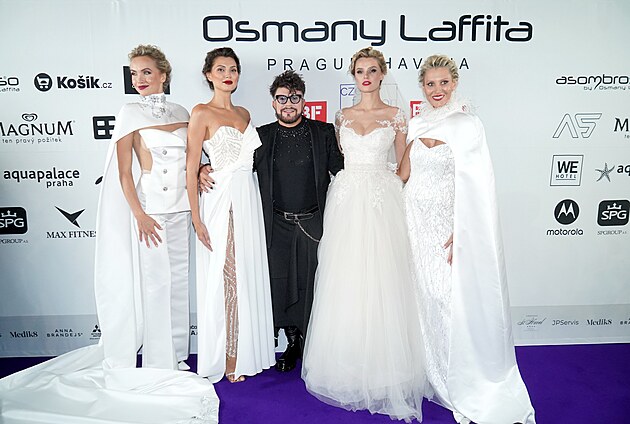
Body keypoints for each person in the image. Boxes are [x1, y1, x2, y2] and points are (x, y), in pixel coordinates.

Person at [0, 44, 217, 424]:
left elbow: (192, 157)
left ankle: (177, 356)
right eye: (134, 73)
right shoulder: (129, 112)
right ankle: (159, 363)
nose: (139, 79)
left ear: (163, 74)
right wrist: (139, 215)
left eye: (146, 72)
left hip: (183, 208)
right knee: (156, 286)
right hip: (152, 210)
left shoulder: (183, 112)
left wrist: (200, 171)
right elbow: (122, 172)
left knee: (179, 284)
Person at [398, 54, 536, 424]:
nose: (437, 90)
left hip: (447, 226)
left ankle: (459, 378)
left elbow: (478, 185)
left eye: (444, 82)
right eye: (430, 84)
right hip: (412, 222)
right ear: (422, 87)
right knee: (421, 299)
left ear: (455, 83)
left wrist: (464, 229)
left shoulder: (467, 124)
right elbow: (405, 173)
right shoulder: (417, 123)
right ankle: (430, 371)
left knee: (447, 301)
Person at [301, 47, 427, 422]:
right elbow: (341, 159)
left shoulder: (396, 115)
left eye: (372, 70)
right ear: (353, 76)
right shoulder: (342, 116)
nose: (366, 76)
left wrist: (388, 187)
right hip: (346, 200)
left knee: (382, 278)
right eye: (360, 71)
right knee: (347, 278)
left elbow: (404, 164)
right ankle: (348, 364)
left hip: (380, 201)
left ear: (382, 74)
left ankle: (385, 367)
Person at [187, 47, 275, 383]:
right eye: (221, 69)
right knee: (227, 275)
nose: (228, 75)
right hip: (220, 200)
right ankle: (229, 356)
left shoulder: (244, 113)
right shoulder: (201, 112)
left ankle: (247, 350)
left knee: (244, 273)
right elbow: (190, 166)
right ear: (208, 74)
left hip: (247, 197)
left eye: (233, 69)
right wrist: (196, 217)